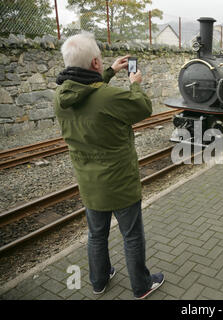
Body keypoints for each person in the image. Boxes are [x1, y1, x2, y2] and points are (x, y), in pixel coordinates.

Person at [54, 33, 165, 299]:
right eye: (100, 61)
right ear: (94, 62)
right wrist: (135, 83)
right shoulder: (111, 98)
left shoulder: (60, 96)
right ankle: (141, 285)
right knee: (132, 236)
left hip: (90, 184)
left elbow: (87, 92)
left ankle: (99, 281)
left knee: (96, 235)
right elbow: (142, 107)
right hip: (120, 183)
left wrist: (110, 71)